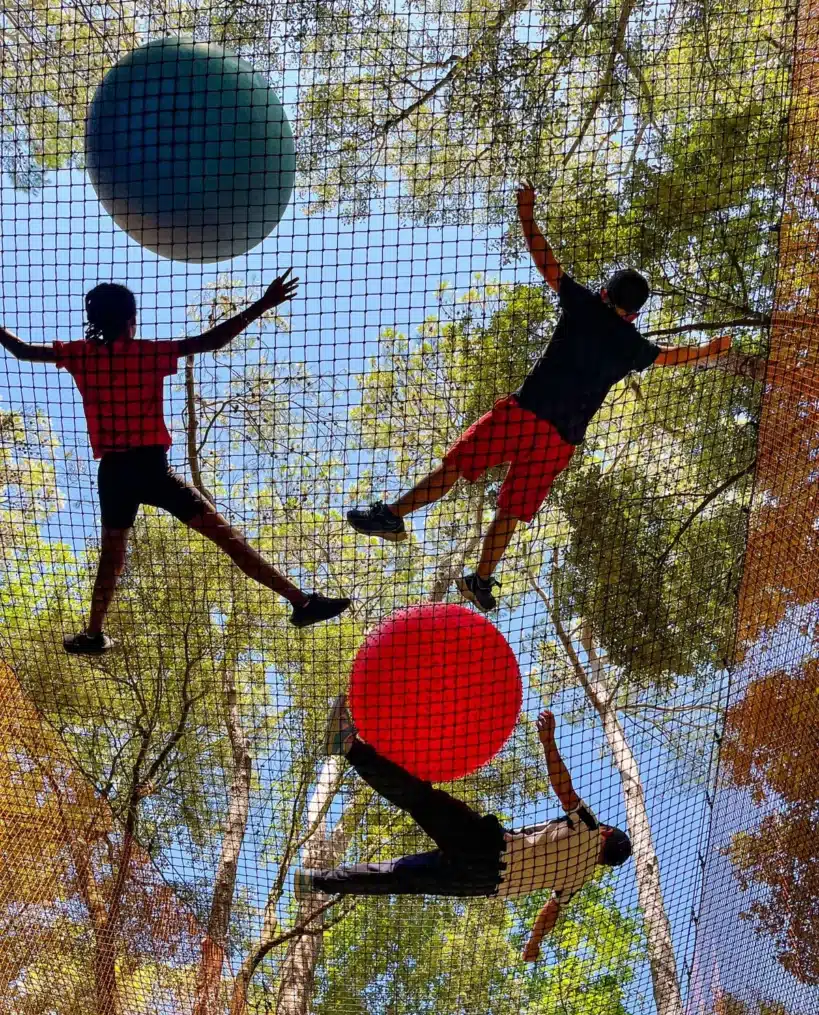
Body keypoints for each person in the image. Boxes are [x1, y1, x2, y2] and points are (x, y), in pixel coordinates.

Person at [347, 182, 733, 611]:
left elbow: (545, 261)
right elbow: (671, 358)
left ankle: (393, 516)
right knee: (510, 510)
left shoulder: (585, 305)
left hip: (524, 415)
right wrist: (710, 352)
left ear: (605, 293)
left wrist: (526, 213)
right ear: (635, 314)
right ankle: (481, 579)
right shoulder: (632, 346)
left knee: (457, 466)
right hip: (558, 444)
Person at [0, 271, 351, 654]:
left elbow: (22, 351)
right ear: (131, 321)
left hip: (116, 474)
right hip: (154, 471)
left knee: (112, 557)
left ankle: (94, 633)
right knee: (227, 538)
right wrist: (262, 305)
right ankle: (301, 602)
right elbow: (211, 341)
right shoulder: (147, 352)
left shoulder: (80, 354)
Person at [295, 700, 632, 963]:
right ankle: (314, 881)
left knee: (421, 799)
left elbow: (565, 790)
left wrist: (547, 742)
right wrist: (533, 943)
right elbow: (550, 913)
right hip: (477, 884)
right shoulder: (578, 881)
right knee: (399, 876)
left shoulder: (589, 827)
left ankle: (349, 745)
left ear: (605, 834)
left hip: (489, 848)